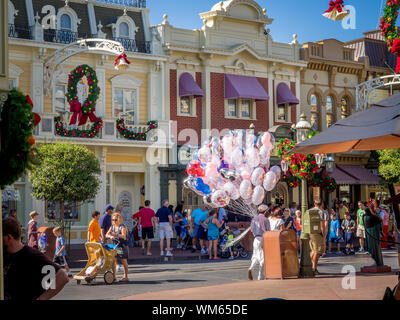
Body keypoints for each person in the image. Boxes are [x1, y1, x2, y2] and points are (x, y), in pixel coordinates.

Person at [3, 218, 69, 300]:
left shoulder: (32, 255)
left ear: (9, 237)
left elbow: (62, 277)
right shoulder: (4, 255)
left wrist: (41, 298)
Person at [248, 204, 270, 281]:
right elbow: (268, 231)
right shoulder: (266, 219)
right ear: (265, 211)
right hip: (262, 238)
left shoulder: (254, 219)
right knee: (262, 257)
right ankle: (260, 276)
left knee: (255, 255)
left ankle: (251, 267)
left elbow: (251, 230)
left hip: (256, 239)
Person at [106, 212, 129, 282]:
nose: (114, 221)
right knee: (113, 261)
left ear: (119, 219)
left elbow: (124, 236)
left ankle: (125, 276)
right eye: (113, 220)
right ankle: (114, 276)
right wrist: (110, 236)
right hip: (114, 245)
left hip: (122, 245)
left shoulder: (122, 226)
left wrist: (115, 234)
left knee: (123, 260)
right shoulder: (112, 227)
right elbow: (106, 234)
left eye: (115, 220)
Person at [309, 200, 325, 275]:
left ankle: (308, 266)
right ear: (321, 204)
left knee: (313, 250)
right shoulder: (321, 212)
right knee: (317, 251)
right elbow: (322, 225)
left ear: (314, 204)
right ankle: (314, 268)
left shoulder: (309, 211)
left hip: (310, 232)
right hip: (317, 232)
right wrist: (323, 234)